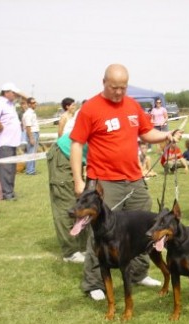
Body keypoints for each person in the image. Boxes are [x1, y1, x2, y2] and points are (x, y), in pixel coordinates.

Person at [69, 63, 183, 301]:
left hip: (134, 179)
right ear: (103, 82)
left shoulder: (132, 105)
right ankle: (94, 283)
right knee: (100, 235)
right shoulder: (90, 108)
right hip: (104, 183)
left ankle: (139, 273)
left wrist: (166, 135)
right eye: (114, 87)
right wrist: (79, 181)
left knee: (145, 230)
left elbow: (147, 132)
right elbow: (77, 143)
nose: (119, 92)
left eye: (123, 87)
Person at [46, 128, 89, 263]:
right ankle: (70, 252)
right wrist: (78, 180)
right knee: (67, 205)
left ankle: (83, 247)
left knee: (83, 203)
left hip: (79, 157)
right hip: (64, 154)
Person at [0, 82, 26, 200]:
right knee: (5, 169)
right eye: (13, 92)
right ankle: (6, 193)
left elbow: (25, 97)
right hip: (3, 142)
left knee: (11, 169)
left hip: (12, 142)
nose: (15, 95)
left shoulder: (10, 104)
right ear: (6, 92)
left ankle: (10, 190)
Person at [22, 97, 40, 175]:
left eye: (35, 102)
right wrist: (31, 137)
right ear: (29, 104)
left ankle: (32, 169)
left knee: (33, 152)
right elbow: (28, 126)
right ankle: (30, 170)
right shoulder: (28, 114)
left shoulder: (32, 113)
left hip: (35, 132)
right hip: (32, 133)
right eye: (33, 103)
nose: (35, 104)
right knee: (31, 152)